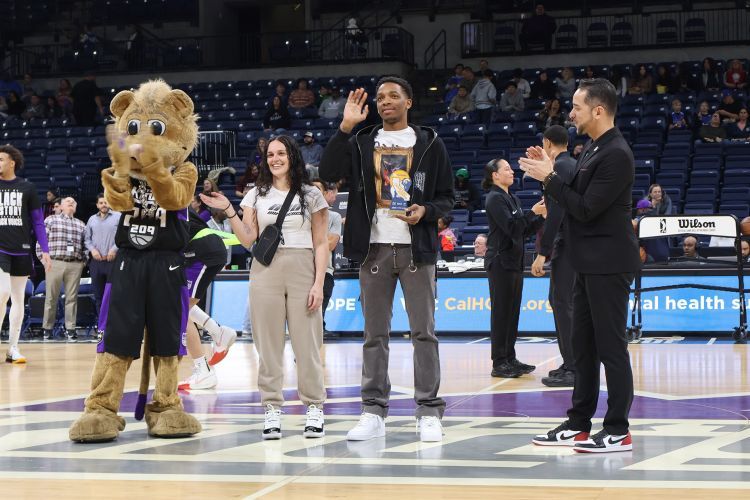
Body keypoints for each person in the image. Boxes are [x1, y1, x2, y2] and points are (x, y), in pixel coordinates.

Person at [319, 78, 454, 443]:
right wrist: (345, 126)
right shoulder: (363, 141)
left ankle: (428, 411)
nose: (385, 102)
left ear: (409, 101)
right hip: (373, 248)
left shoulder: (430, 143)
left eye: (393, 95)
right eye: (380, 98)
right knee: (373, 335)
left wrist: (425, 210)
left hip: (416, 249)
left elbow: (447, 199)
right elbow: (328, 173)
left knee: (423, 333)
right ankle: (373, 412)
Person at [520, 78, 641, 453]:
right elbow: (574, 194)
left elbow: (586, 209)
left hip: (608, 263)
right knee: (583, 347)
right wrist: (551, 170)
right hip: (585, 262)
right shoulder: (592, 149)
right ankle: (578, 423)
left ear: (598, 110)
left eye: (576, 107)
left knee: (611, 348)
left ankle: (618, 429)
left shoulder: (617, 153)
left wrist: (551, 179)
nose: (570, 113)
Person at [200, 135, 329, 440]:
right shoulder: (255, 195)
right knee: (267, 345)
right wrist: (229, 211)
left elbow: (321, 242)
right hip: (265, 270)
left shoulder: (311, 194)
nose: (275, 159)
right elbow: (247, 239)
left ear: (292, 156)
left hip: (303, 266)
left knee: (307, 344)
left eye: (281, 153)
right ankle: (272, 407)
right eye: (270, 155)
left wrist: (319, 283)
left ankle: (314, 407)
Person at [484, 158, 546, 378]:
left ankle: (510, 357)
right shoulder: (494, 199)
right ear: (495, 175)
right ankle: (499, 362)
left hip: (514, 263)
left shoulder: (512, 198)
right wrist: (534, 213)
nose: (512, 172)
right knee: (501, 313)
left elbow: (524, 229)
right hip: (500, 262)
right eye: (507, 169)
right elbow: (511, 227)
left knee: (512, 313)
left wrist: (539, 217)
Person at [529, 125, 577, 388]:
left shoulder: (560, 168)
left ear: (547, 142)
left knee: (563, 303)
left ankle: (575, 367)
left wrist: (542, 253)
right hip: (572, 243)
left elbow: (556, 213)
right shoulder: (568, 164)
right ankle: (571, 362)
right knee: (561, 302)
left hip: (568, 243)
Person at [0, 145, 51, 363]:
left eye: (0, 159)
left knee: (18, 299)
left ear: (12, 162)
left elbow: (38, 221)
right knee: (2, 293)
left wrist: (45, 250)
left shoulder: (27, 188)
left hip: (21, 249)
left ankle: (13, 348)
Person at [178, 208, 238, 390]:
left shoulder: (166, 200)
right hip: (201, 250)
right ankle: (218, 332)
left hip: (201, 253)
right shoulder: (173, 196)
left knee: (179, 310)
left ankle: (203, 371)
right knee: (178, 302)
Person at [39, 196, 86, 341]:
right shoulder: (51, 220)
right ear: (61, 206)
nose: (71, 203)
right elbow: (41, 242)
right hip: (54, 262)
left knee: (72, 299)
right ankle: (47, 329)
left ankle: (71, 329)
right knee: (51, 297)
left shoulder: (81, 224)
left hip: (75, 264)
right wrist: (44, 261)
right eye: (68, 202)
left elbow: (86, 245)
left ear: (76, 207)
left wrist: (82, 263)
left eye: (73, 202)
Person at [84, 194, 120, 328]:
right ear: (97, 205)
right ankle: (102, 326)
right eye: (101, 203)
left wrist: (114, 249)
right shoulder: (92, 219)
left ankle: (115, 326)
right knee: (98, 296)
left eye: (105, 202)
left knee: (114, 295)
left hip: (113, 261)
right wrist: (92, 250)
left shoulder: (118, 216)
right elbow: (87, 239)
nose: (103, 205)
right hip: (97, 263)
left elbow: (123, 237)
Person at [312, 180, 342, 334]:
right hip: (301, 269)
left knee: (319, 311)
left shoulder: (334, 216)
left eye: (318, 189)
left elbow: (330, 244)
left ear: (324, 192)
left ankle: (319, 334)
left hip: (325, 270)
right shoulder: (298, 214)